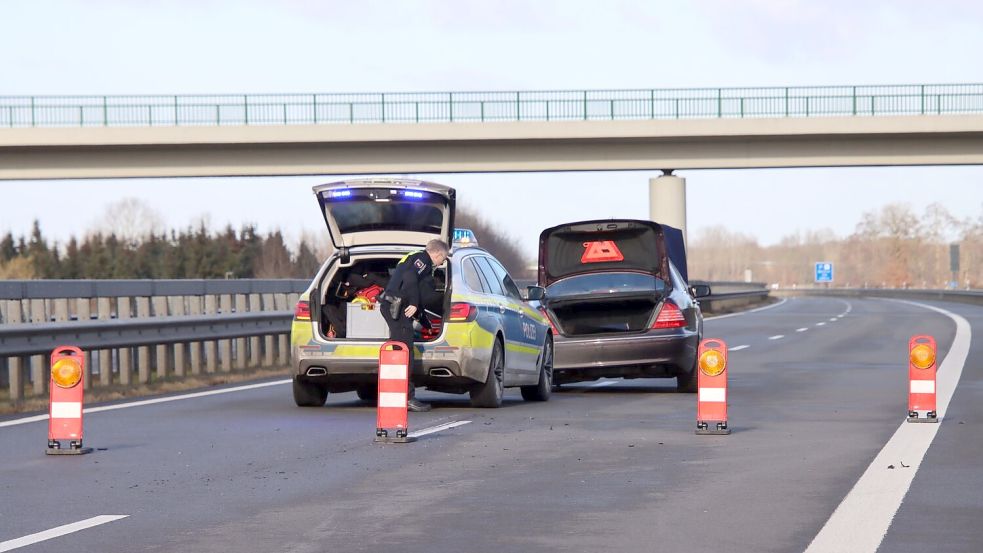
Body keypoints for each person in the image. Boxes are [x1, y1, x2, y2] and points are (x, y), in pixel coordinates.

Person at [379, 239, 450, 412]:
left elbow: (410, 283)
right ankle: (407, 398)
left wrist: (423, 319)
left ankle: (395, 394)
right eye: (444, 258)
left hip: (394, 306)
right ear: (438, 254)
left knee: (399, 349)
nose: (443, 262)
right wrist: (415, 303)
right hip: (395, 306)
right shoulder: (423, 260)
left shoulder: (413, 257)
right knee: (404, 351)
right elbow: (410, 277)